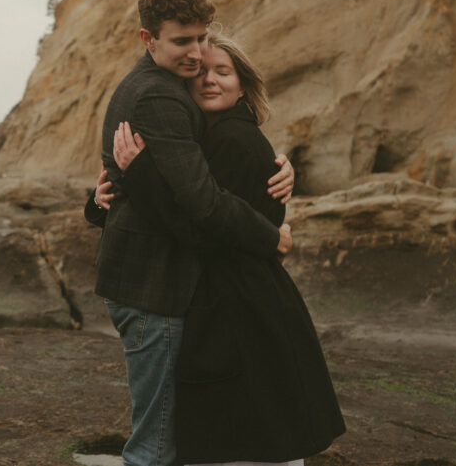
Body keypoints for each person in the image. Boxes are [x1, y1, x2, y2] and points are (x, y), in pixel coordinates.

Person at [101, 32, 346, 465]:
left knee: (239, 434)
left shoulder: (232, 140)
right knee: (251, 431)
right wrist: (103, 198)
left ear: (244, 85)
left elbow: (199, 223)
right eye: (202, 71)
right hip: (238, 296)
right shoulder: (207, 141)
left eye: (224, 72)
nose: (210, 80)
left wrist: (139, 176)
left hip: (240, 303)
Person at [86, 0, 295, 466]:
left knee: (168, 434)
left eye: (201, 37)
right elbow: (202, 201)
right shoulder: (159, 97)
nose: (198, 54)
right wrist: (272, 237)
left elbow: (206, 172)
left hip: (158, 284)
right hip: (151, 288)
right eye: (183, 40)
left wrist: (277, 169)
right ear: (148, 39)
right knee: (156, 444)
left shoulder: (168, 83)